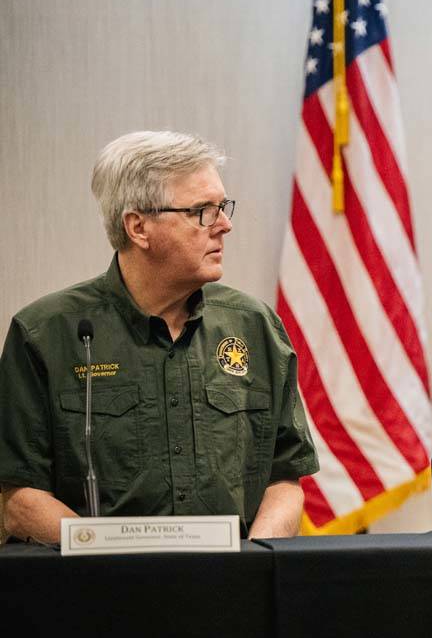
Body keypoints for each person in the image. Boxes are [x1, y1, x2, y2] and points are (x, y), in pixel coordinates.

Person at [0, 131, 318, 543]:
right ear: (138, 227)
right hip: (96, 580)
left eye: (222, 207)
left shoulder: (254, 327)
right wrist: (112, 557)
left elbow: (285, 478)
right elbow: (19, 499)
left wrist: (252, 561)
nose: (224, 225)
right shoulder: (45, 335)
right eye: (202, 211)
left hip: (230, 578)